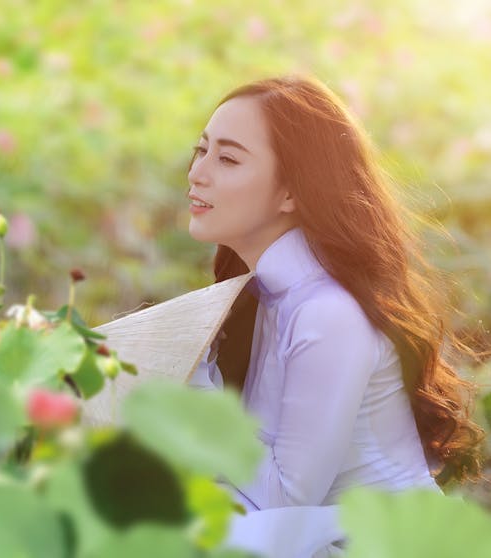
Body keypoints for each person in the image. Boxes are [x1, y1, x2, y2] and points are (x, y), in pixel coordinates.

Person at [186, 75, 485, 556]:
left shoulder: (327, 313)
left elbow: (286, 499)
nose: (197, 173)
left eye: (227, 158)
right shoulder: (263, 297)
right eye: (201, 151)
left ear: (291, 194)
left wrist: (196, 387)